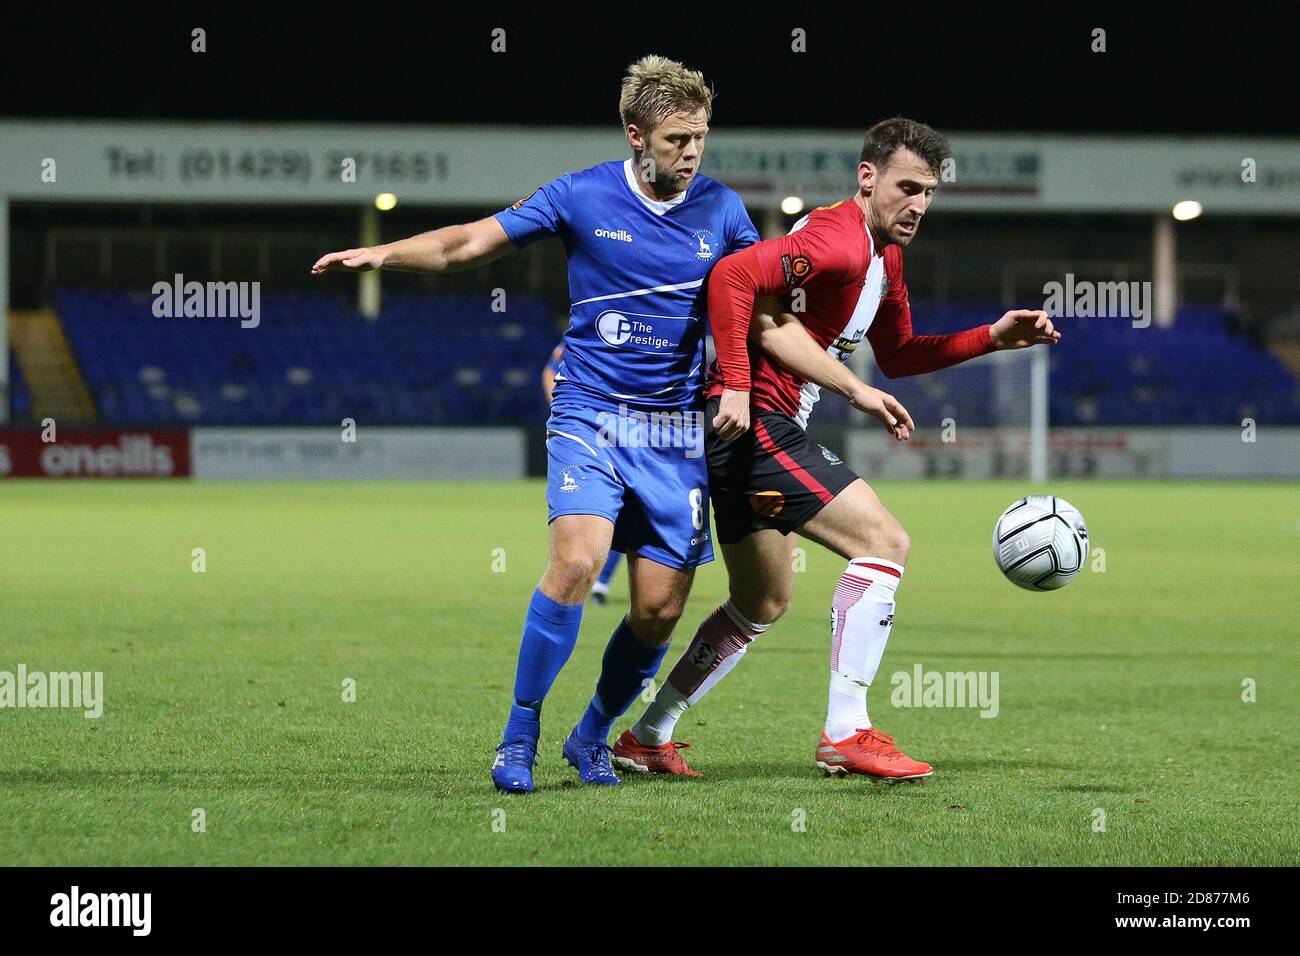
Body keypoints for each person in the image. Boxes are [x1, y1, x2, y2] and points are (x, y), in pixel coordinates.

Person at [313, 55, 764, 793]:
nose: (691, 152)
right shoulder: (579, 195)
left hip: (674, 433)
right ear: (635, 135)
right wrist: (383, 253)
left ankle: (589, 736)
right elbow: (468, 244)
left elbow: (763, 304)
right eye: (677, 138)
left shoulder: (724, 212)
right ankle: (517, 735)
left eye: (700, 137)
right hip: (590, 412)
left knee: (657, 609)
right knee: (578, 561)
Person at [614, 117, 1061, 780]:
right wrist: (736, 385)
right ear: (867, 176)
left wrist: (990, 337)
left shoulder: (885, 258)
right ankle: (846, 731)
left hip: (750, 429)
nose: (919, 204)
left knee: (761, 602)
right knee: (883, 541)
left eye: (930, 192)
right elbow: (732, 278)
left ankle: (649, 735)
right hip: (752, 421)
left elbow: (902, 355)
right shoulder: (838, 240)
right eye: (907, 187)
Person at [543, 341, 622, 605]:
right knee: (594, 514)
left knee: (627, 516)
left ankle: (600, 580)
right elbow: (549, 371)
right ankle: (594, 579)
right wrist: (563, 409)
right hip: (588, 435)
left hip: (630, 431)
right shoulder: (583, 336)